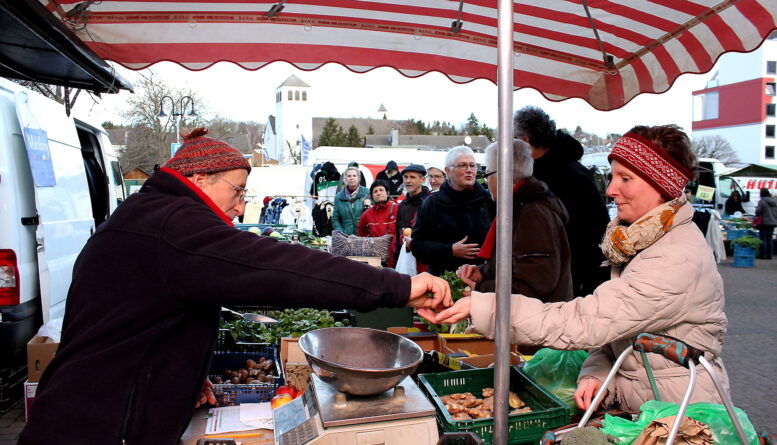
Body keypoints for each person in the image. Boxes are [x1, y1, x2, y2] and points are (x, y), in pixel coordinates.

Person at [19, 128, 452, 445]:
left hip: (91, 411)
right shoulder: (176, 225)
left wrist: (181, 376)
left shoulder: (150, 214)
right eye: (239, 190)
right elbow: (281, 267)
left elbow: (145, 317)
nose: (241, 206)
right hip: (100, 426)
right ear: (201, 179)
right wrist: (400, 287)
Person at [424, 125, 731, 414]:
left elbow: (591, 321)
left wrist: (487, 307)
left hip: (681, 415)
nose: (611, 190)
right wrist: (596, 372)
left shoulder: (675, 257)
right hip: (647, 403)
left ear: (661, 186)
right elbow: (619, 334)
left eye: (625, 179)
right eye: (613, 177)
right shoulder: (642, 241)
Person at [456, 140, 572, 302]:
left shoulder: (532, 214)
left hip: (535, 322)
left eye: (488, 174)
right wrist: (482, 272)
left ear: (504, 175)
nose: (487, 182)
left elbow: (536, 283)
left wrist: (482, 288)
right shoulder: (521, 208)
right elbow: (517, 265)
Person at [514, 106, 609, 297]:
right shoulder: (543, 170)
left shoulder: (569, 176)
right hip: (553, 277)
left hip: (571, 285)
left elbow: (591, 234)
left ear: (525, 141)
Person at [411, 146, 494, 276]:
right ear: (448, 171)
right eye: (463, 165)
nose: (469, 171)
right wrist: (449, 250)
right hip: (444, 281)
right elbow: (417, 246)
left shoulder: (489, 201)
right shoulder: (431, 204)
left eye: (472, 166)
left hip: (483, 281)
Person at [393, 164, 431, 265]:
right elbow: (397, 234)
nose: (408, 181)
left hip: (422, 260)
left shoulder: (429, 203)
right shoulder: (402, 204)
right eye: (405, 177)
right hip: (403, 258)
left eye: (412, 177)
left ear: (422, 180)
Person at [357, 180, 399, 265]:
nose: (378, 193)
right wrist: (371, 240)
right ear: (372, 196)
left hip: (396, 255)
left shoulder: (397, 208)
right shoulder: (367, 214)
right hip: (376, 257)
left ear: (387, 193)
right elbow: (360, 229)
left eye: (381, 190)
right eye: (375, 191)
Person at [331, 165, 370, 235]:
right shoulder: (338, 197)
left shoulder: (368, 193)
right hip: (346, 236)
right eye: (349, 176)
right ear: (345, 179)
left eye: (354, 176)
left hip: (364, 236)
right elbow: (335, 219)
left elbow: (375, 213)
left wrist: (370, 206)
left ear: (358, 178)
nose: (352, 178)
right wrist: (341, 232)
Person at [755, 187, 777, 259]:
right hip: (773, 222)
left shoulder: (762, 201)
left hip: (764, 222)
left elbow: (758, 211)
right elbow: (776, 213)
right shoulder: (774, 202)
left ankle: (763, 254)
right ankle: (769, 255)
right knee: (770, 238)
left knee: (763, 239)